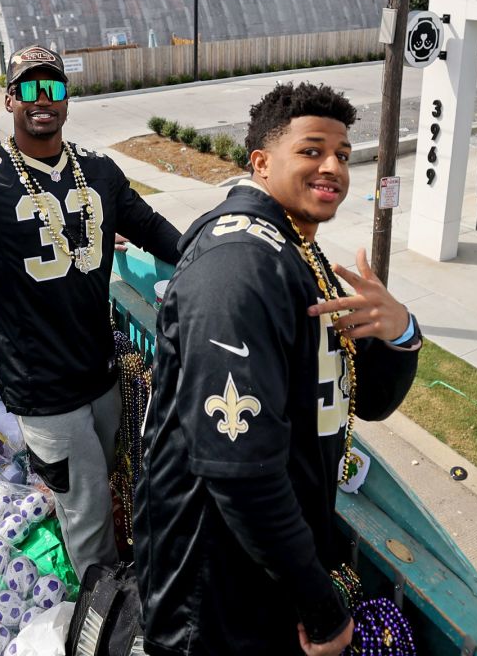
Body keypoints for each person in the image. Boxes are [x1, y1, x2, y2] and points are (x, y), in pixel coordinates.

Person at [132, 82, 423, 656]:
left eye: (341, 153)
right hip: (213, 581)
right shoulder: (240, 265)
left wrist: (401, 332)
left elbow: (368, 400)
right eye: (312, 150)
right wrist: (320, 605)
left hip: (265, 563)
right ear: (261, 163)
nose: (332, 166)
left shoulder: (298, 250)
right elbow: (238, 469)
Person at [0, 45, 182, 583]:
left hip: (99, 370)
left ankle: (107, 589)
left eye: (53, 88)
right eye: (29, 88)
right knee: (87, 511)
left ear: (67, 100)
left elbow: (151, 228)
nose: (42, 99)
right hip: (42, 388)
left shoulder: (98, 170)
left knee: (100, 489)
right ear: (9, 99)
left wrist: (213, 249)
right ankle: (102, 617)